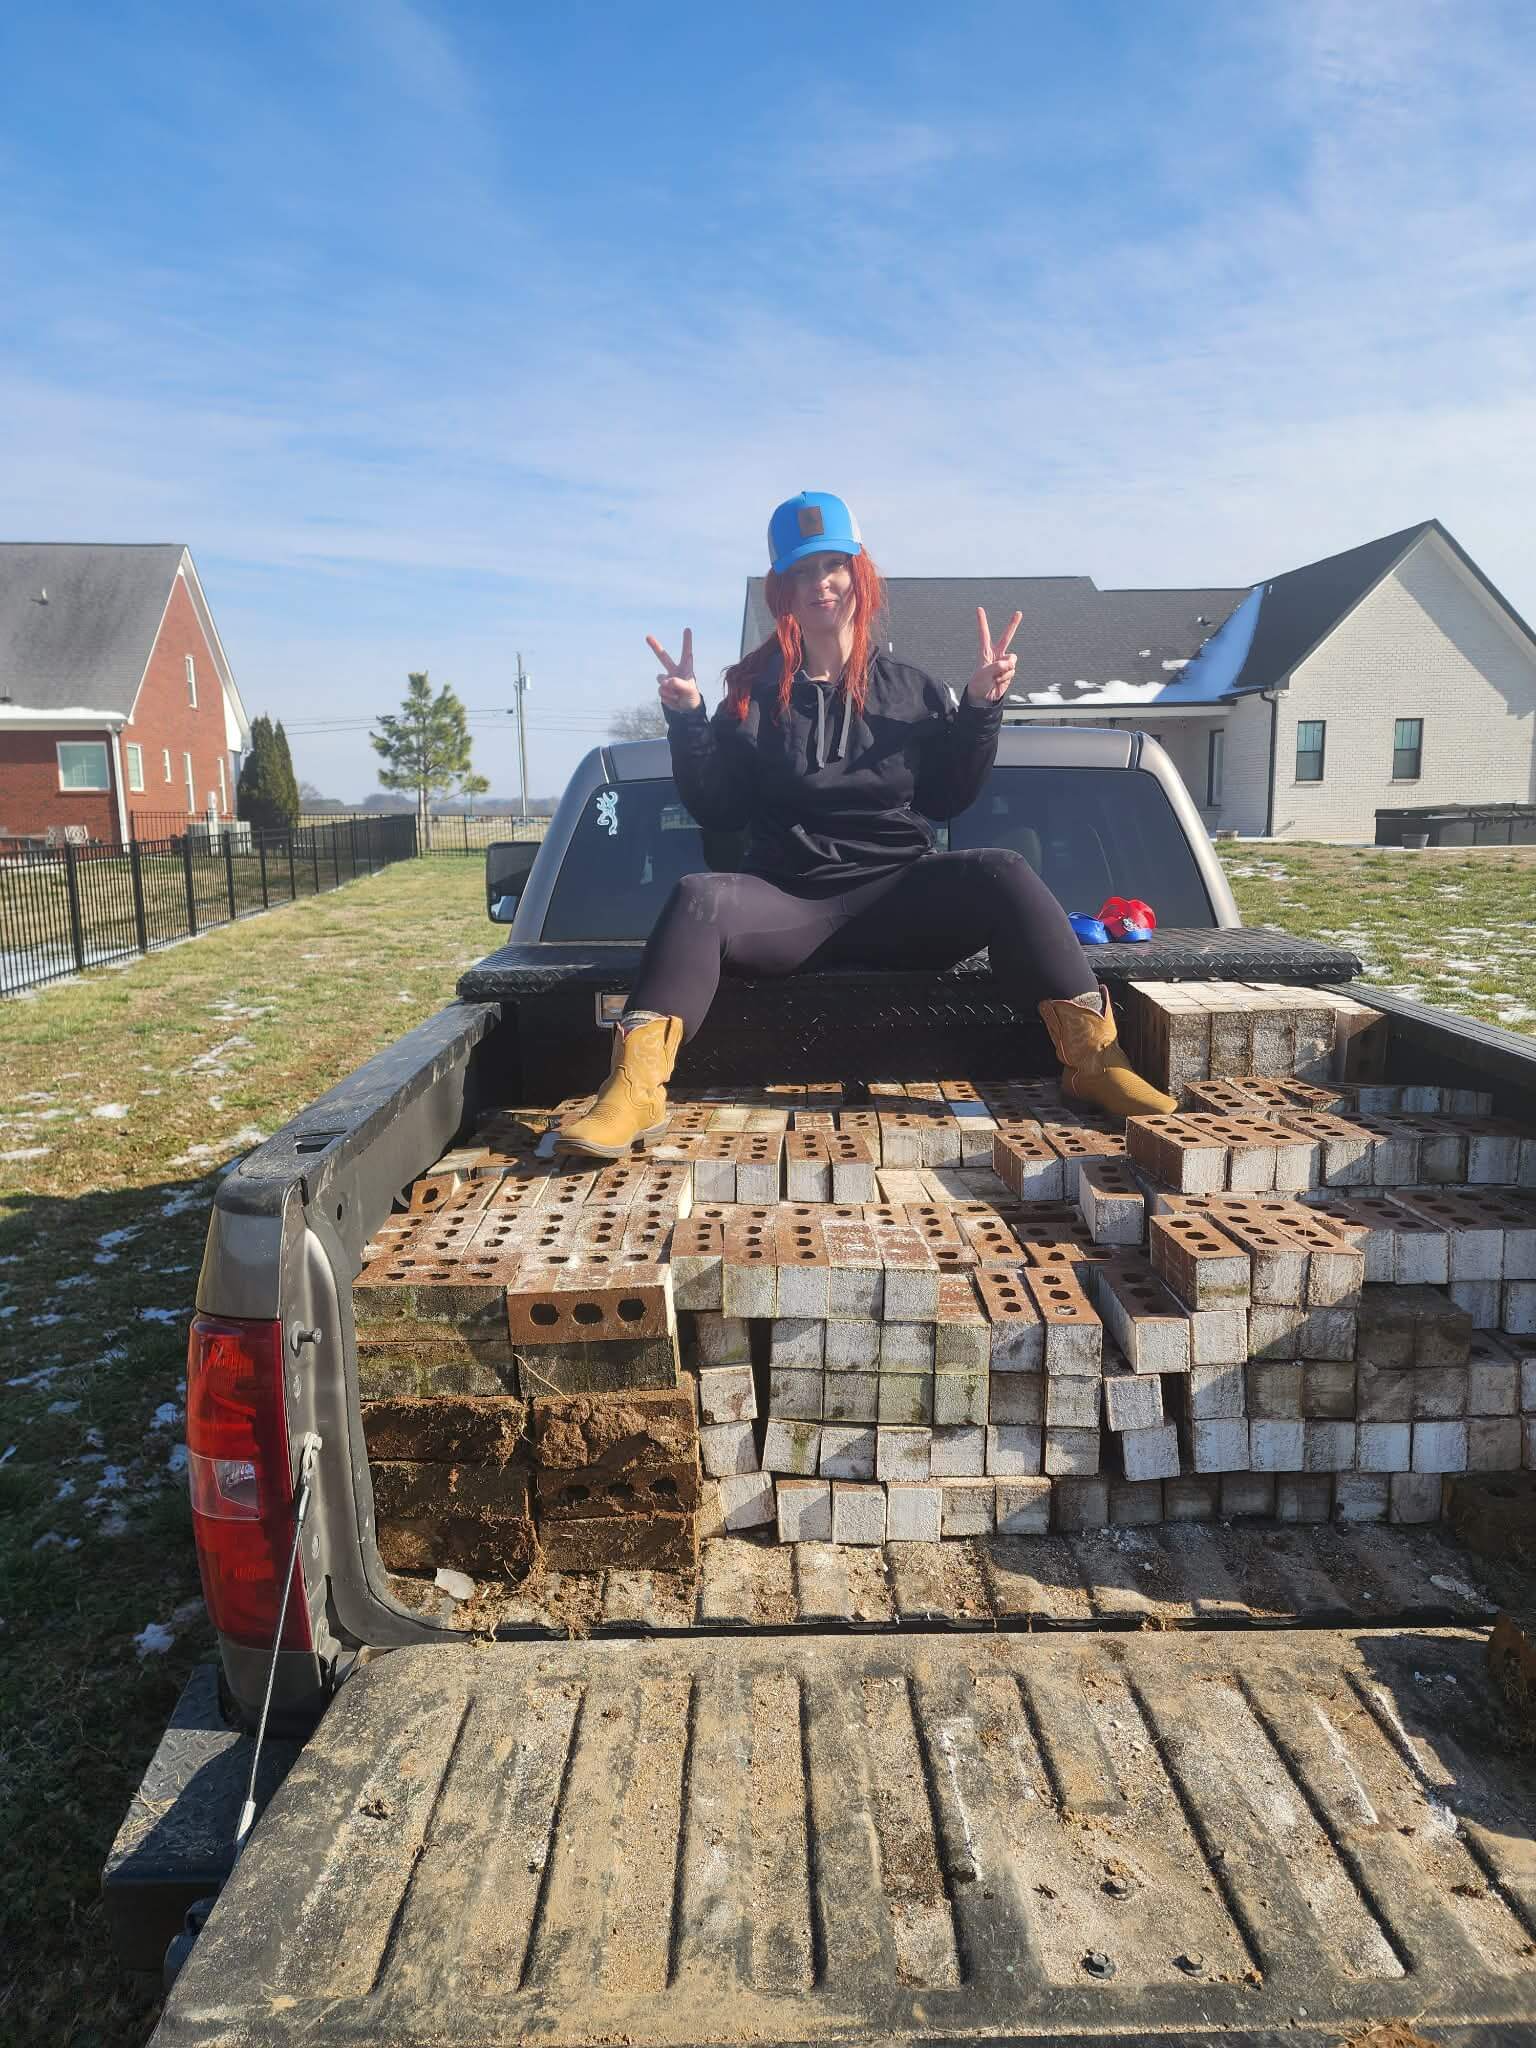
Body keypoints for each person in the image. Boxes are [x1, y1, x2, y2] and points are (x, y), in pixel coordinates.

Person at [557, 490, 1176, 1158]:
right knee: (698, 896)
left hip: (898, 900)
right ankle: (635, 1089)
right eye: (801, 571)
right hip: (789, 906)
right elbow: (719, 809)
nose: (820, 582)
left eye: (832, 564)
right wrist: (686, 718)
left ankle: (1094, 1063)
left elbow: (945, 799)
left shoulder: (909, 688)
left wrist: (978, 709)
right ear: (782, 589)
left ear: (859, 573)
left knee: (1004, 870)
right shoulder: (751, 692)